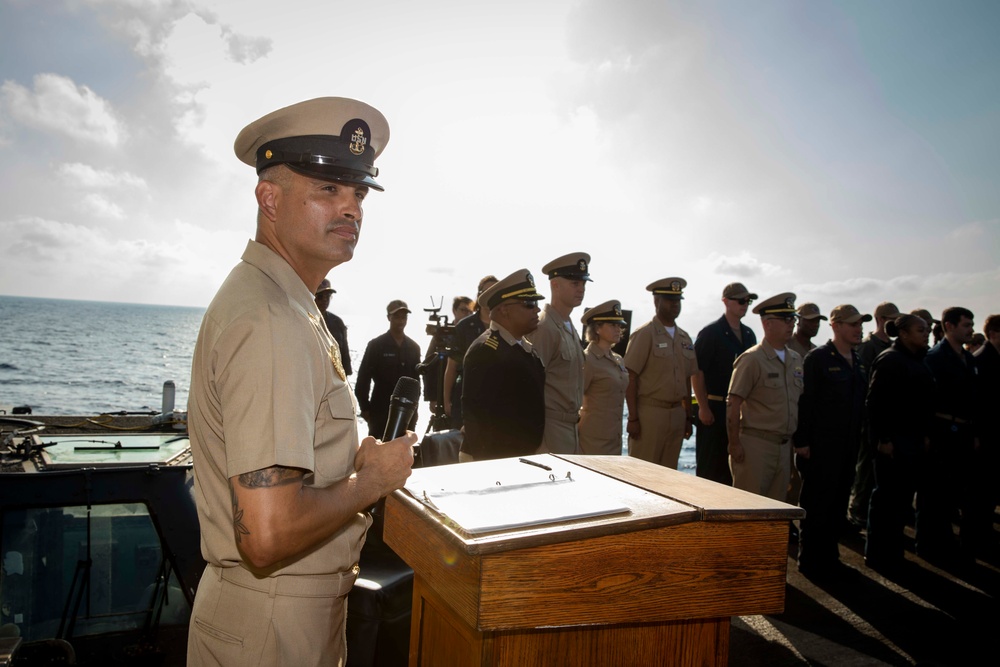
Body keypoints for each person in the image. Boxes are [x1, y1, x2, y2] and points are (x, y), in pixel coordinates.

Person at [187, 97, 415, 666]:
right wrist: (371, 481)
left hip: (279, 613)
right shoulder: (272, 320)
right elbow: (266, 535)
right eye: (327, 190)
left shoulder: (288, 305)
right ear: (269, 198)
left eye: (358, 193)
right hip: (275, 622)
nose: (352, 210)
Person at [794, 305, 870, 578]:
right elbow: (806, 401)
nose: (858, 328)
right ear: (836, 325)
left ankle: (830, 557)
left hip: (848, 445)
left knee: (838, 504)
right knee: (817, 506)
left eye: (860, 324)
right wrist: (802, 441)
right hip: (821, 446)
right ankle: (811, 562)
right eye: (852, 324)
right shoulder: (818, 358)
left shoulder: (858, 360)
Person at [864, 314, 934, 572]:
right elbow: (875, 403)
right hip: (893, 443)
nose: (926, 333)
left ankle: (893, 554)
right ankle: (878, 556)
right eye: (920, 330)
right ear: (903, 334)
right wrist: (883, 439)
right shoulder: (890, 359)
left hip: (912, 441)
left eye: (927, 330)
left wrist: (925, 435)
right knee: (886, 502)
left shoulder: (918, 360)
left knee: (901, 503)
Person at [460, 269, 546, 461]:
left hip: (518, 457)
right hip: (493, 461)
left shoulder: (524, 349)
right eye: (529, 304)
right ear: (504, 309)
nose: (537, 309)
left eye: (537, 303)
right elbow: (476, 421)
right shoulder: (486, 351)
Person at [726, 293, 803, 501]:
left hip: (784, 447)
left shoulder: (795, 359)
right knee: (748, 508)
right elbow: (733, 403)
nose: (791, 325)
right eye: (786, 320)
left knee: (775, 511)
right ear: (768, 324)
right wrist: (734, 444)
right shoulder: (752, 359)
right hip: (756, 446)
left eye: (793, 319)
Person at [922, 306, 980, 562]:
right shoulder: (935, 358)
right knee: (937, 494)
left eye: (971, 324)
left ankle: (946, 543)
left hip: (964, 432)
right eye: (966, 325)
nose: (971, 329)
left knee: (956, 491)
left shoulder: (968, 359)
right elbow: (926, 401)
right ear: (949, 326)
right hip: (943, 432)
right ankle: (931, 546)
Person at [625, 278, 699, 469]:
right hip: (650, 414)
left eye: (678, 300)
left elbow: (687, 378)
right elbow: (630, 377)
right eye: (669, 299)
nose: (675, 304)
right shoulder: (645, 334)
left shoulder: (684, 338)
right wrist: (633, 418)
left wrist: (688, 417)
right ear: (656, 301)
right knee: (642, 473)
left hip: (676, 415)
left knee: (669, 475)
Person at [692, 282, 758, 485]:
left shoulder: (749, 335)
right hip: (714, 409)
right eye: (741, 301)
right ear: (726, 301)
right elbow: (697, 371)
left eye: (748, 301)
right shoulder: (711, 333)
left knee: (735, 470)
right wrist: (703, 407)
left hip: (739, 412)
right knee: (710, 471)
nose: (745, 305)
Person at [529, 252, 590, 454]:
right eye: (575, 283)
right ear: (555, 285)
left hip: (570, 428)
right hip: (550, 429)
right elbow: (532, 385)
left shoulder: (568, 325)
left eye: (583, 284)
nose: (581, 289)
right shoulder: (545, 326)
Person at [847, 301, 901, 529]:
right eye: (891, 319)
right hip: (869, 416)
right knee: (866, 467)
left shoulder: (892, 346)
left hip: (886, 416)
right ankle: (858, 509)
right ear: (880, 320)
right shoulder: (869, 346)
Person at [355, 300, 422, 437]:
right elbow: (363, 379)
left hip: (407, 410)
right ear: (389, 318)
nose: (400, 320)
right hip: (380, 408)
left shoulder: (414, 347)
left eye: (403, 317)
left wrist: (415, 407)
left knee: (405, 452)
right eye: (396, 316)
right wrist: (365, 408)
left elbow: (417, 381)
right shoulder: (376, 345)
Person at [442, 275, 497, 427]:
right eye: (486, 291)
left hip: (496, 400)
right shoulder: (465, 327)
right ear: (479, 295)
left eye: (495, 291)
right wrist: (447, 401)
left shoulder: (507, 324)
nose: (490, 295)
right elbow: (451, 366)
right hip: (466, 398)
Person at [786, 301, 826, 509]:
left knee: (802, 480)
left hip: (807, 423)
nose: (814, 325)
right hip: (788, 420)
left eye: (817, 321)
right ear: (798, 321)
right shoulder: (787, 347)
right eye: (810, 321)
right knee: (788, 480)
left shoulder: (817, 353)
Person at [579, 300, 630, 455]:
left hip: (614, 437)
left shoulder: (618, 359)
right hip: (592, 439)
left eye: (619, 325)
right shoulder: (588, 359)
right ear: (598, 328)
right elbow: (575, 399)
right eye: (612, 325)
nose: (618, 329)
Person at [973, 314, 1000, 557]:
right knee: (984, 489)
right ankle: (980, 538)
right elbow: (978, 403)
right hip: (987, 435)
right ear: (993, 333)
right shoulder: (981, 360)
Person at [420, 295, 473, 415]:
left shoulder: (473, 334)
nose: (467, 314)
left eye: (470, 311)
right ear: (454, 311)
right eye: (463, 310)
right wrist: (432, 397)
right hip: (442, 393)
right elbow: (429, 365)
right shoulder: (443, 333)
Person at [315, 278, 352, 375]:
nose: (324, 300)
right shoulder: (304, 320)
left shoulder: (338, 322)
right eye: (320, 296)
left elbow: (345, 355)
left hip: (335, 379)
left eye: (328, 296)